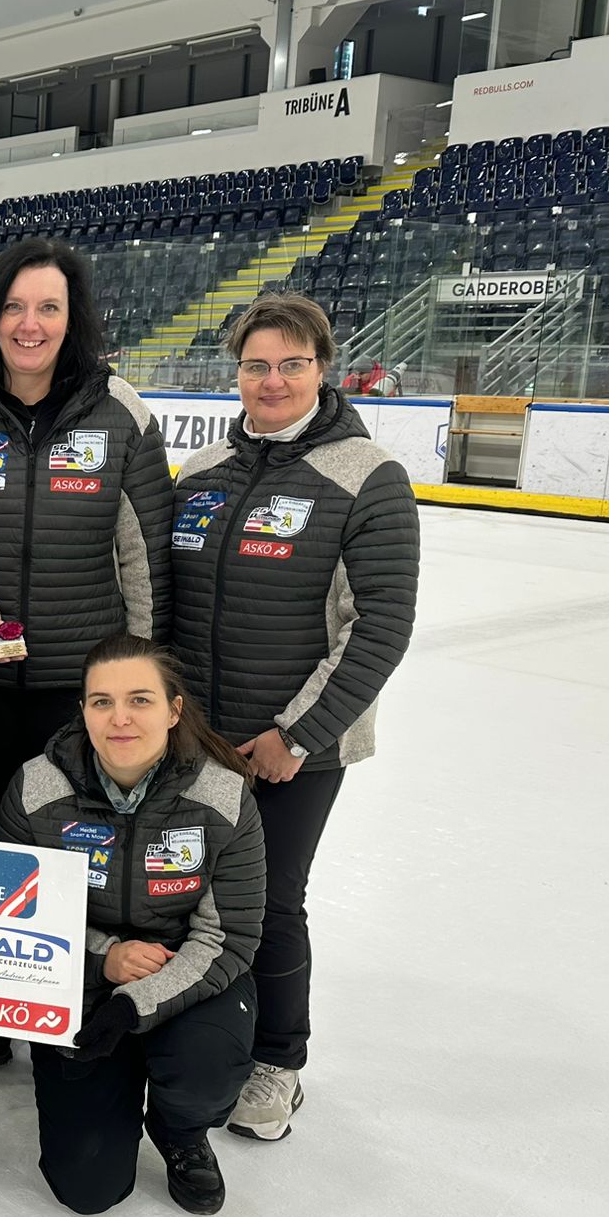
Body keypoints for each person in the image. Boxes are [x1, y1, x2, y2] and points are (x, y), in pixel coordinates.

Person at [169, 293, 419, 1144]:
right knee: (181, 892)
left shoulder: (366, 475)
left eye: (292, 364)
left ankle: (277, 1060)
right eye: (255, 365)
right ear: (234, 372)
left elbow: (380, 624)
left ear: (324, 369)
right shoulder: (202, 473)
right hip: (197, 735)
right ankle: (193, 1033)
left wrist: (298, 735)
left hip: (293, 748)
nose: (272, 381)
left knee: (271, 902)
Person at [0, 236, 175, 813]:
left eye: (49, 307)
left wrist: (139, 680)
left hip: (82, 691)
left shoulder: (122, 414)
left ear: (73, 319)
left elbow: (146, 559)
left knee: (69, 857)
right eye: (14, 306)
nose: (30, 325)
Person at [0, 634, 264, 1215]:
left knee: (205, 1068)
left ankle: (181, 1130)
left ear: (173, 710)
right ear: (83, 711)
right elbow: (14, 911)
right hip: (78, 974)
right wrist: (103, 958)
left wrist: (134, 1002)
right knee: (88, 1188)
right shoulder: (38, 787)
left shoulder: (222, 793)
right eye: (101, 702)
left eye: (139, 700)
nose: (119, 718)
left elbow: (229, 938)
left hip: (188, 974)